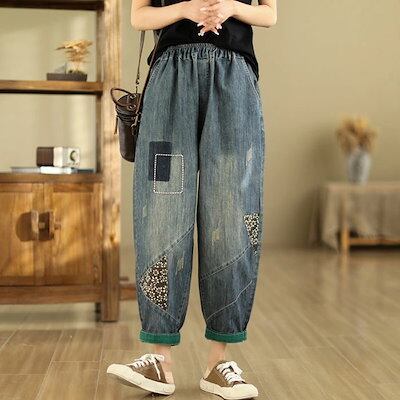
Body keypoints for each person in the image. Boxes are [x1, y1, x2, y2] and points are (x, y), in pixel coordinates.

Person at [107, 0, 277, 398]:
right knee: (161, 213)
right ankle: (159, 360)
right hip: (169, 85)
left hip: (234, 84)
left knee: (232, 216)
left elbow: (269, 13)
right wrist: (187, 9)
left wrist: (230, 7)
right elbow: (138, 16)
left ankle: (219, 362)